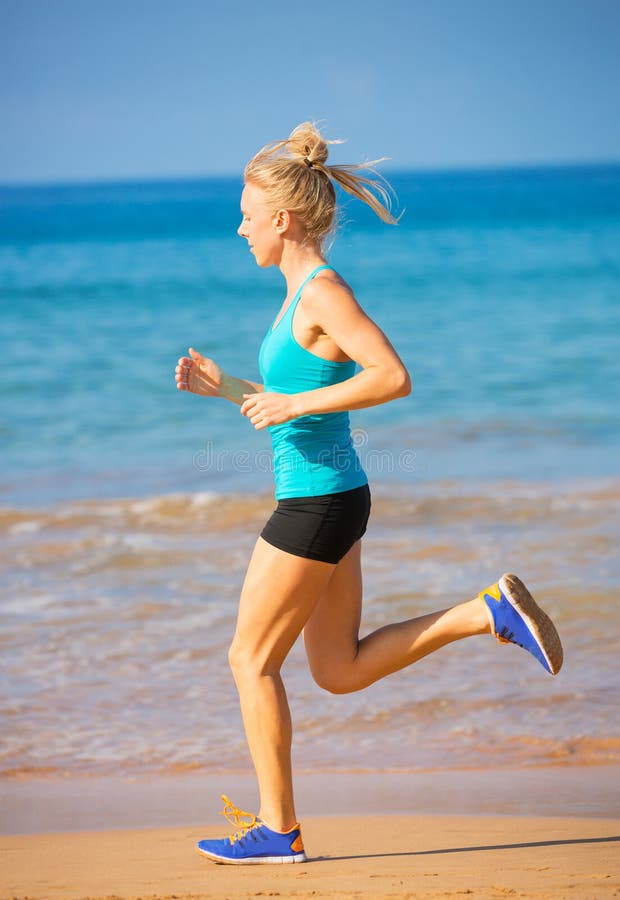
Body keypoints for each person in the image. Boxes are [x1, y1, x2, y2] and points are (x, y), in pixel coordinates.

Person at [175, 122, 563, 865]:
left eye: (247, 214)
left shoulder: (323, 293)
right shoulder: (300, 300)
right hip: (333, 494)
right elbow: (294, 400)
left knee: (249, 661)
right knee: (337, 669)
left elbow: (391, 376)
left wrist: (291, 406)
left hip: (317, 503)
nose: (239, 226)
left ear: (281, 220)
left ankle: (277, 830)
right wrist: (228, 389)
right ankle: (484, 613)